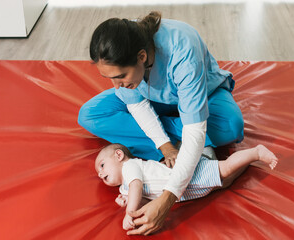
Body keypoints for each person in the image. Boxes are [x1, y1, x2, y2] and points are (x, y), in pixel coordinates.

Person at [78, 11, 244, 235]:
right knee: (89, 115)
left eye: (120, 76)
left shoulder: (183, 50)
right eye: (109, 79)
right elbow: (136, 105)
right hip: (152, 99)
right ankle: (181, 134)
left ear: (142, 57)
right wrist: (165, 145)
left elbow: (195, 131)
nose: (116, 85)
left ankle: (186, 129)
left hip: (203, 95)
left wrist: (167, 199)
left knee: (231, 127)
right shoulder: (125, 53)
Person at [95, 143, 278, 232]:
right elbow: (146, 200)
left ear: (119, 155)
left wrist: (129, 211)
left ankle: (256, 152)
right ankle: (245, 159)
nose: (100, 174)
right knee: (224, 179)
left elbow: (136, 186)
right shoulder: (124, 189)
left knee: (225, 170)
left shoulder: (131, 166)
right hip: (187, 191)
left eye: (102, 165)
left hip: (188, 176)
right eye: (98, 174)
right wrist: (127, 202)